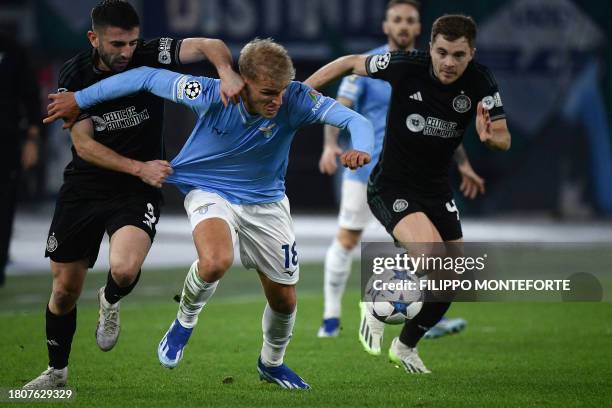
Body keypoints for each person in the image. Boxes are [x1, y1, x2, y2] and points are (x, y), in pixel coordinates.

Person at [44, 38, 374, 389]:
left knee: (284, 300)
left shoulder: (295, 98)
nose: (277, 101)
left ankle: (271, 363)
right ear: (243, 82)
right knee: (216, 260)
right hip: (209, 190)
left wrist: (362, 148)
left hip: (267, 202)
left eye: (280, 91)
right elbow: (143, 76)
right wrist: (79, 99)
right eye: (267, 93)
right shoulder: (208, 92)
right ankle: (183, 323)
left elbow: (357, 121)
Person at [24, 0, 243, 389]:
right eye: (117, 45)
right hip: (85, 186)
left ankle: (110, 300)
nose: (127, 53)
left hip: (134, 191)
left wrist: (225, 71)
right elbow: (85, 145)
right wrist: (140, 166)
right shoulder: (74, 74)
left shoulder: (149, 54)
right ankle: (57, 373)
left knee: (124, 268)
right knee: (64, 290)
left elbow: (209, 43)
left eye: (132, 43)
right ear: (94, 39)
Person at [306, 14, 510, 373]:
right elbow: (350, 62)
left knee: (451, 277)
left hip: (435, 188)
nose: (448, 63)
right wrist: (301, 89)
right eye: (442, 52)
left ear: (472, 54)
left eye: (458, 55)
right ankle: (375, 300)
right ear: (430, 47)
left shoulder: (481, 81)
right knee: (432, 257)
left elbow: (503, 138)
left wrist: (490, 139)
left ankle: (405, 347)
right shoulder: (404, 65)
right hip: (391, 184)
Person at [0, 33, 41, 287]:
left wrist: (32, 141)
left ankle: (0, 265)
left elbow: (31, 97)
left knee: (4, 205)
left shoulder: (11, 47)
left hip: (6, 141)